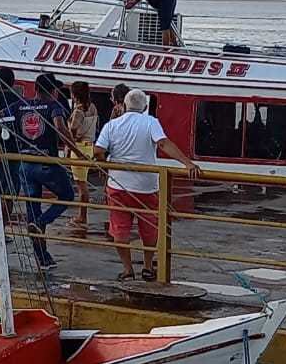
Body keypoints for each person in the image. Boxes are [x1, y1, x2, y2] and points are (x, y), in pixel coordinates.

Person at [94, 88, 201, 281]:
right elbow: (162, 143)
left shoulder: (112, 125)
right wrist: (187, 163)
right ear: (145, 107)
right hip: (147, 186)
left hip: (118, 185)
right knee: (150, 228)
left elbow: (98, 150)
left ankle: (127, 270)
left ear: (125, 105)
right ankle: (148, 266)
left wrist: (106, 165)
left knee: (119, 229)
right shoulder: (151, 122)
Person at [11, 73, 80, 269]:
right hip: (46, 162)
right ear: (53, 90)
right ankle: (43, 221)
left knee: (32, 208)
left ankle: (43, 258)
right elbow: (60, 127)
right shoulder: (54, 106)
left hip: (24, 163)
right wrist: (77, 152)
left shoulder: (20, 105)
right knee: (67, 196)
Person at [67, 81, 99, 230]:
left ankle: (82, 216)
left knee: (81, 185)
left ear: (74, 95)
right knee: (83, 183)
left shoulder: (78, 111)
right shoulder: (93, 107)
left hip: (79, 147)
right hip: (90, 147)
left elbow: (72, 130)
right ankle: (82, 215)